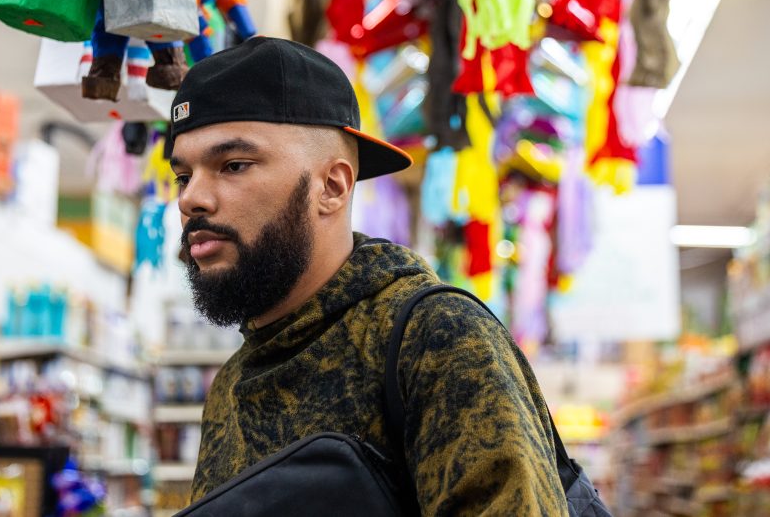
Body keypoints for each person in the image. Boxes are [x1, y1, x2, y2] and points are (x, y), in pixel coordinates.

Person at [167, 36, 569, 515]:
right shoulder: (231, 383)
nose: (191, 199)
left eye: (233, 165)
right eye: (183, 176)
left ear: (332, 186)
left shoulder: (437, 338)